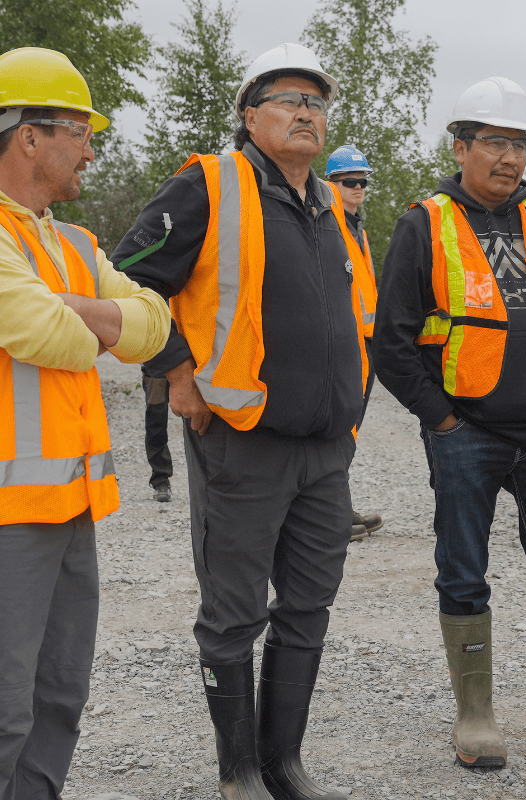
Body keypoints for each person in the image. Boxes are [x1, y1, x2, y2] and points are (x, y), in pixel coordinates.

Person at [113, 43, 366, 800]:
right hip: (241, 443)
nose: (305, 113)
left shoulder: (328, 202)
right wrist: (177, 373)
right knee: (232, 615)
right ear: (249, 114)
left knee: (309, 605)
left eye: (316, 102)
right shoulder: (209, 184)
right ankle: (239, 774)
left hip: (325, 450)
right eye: (288, 98)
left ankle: (284, 764)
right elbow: (129, 276)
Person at [374, 77, 526, 769]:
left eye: (518, 144)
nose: (509, 158)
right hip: (467, 434)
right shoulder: (425, 223)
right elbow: (390, 340)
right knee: (463, 573)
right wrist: (441, 421)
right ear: (461, 147)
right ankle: (475, 718)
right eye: (494, 142)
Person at [0, 47, 170, 799]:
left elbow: (155, 326)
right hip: (8, 517)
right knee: (4, 711)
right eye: (79, 129)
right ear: (28, 136)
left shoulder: (69, 241)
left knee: (58, 699)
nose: (92, 148)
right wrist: (102, 322)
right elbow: (47, 335)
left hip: (70, 507)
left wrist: (82, 312)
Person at [325, 144, 383, 541]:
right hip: (343, 341)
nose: (359, 187)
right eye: (351, 181)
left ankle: (336, 505)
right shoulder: (327, 223)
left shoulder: (354, 226)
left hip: (366, 342)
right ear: (332, 184)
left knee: (351, 430)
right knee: (339, 428)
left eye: (363, 181)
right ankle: (330, 515)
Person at [140, 364, 173, 501]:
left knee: (199, 421)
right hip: (156, 364)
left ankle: (207, 482)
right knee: (156, 422)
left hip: (193, 361)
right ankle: (160, 480)